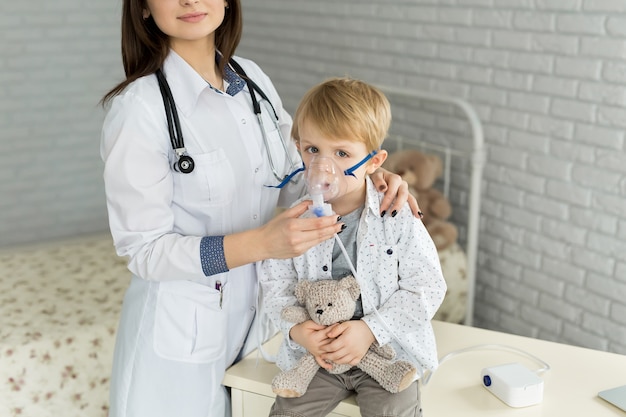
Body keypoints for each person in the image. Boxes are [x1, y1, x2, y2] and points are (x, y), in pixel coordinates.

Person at [99, 1, 420, 417]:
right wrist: (261, 244)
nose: (191, 1)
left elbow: (301, 177)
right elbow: (144, 251)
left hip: (260, 328)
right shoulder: (139, 109)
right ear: (143, 7)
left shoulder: (252, 82)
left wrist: (367, 179)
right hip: (181, 342)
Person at [260, 78, 446, 417]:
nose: (322, 167)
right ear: (298, 147)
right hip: (319, 356)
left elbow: (427, 286)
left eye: (342, 153)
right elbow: (275, 285)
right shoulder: (294, 222)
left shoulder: (396, 216)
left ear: (374, 162)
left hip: (388, 351)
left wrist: (371, 329)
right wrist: (299, 332)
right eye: (312, 150)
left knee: (392, 410)